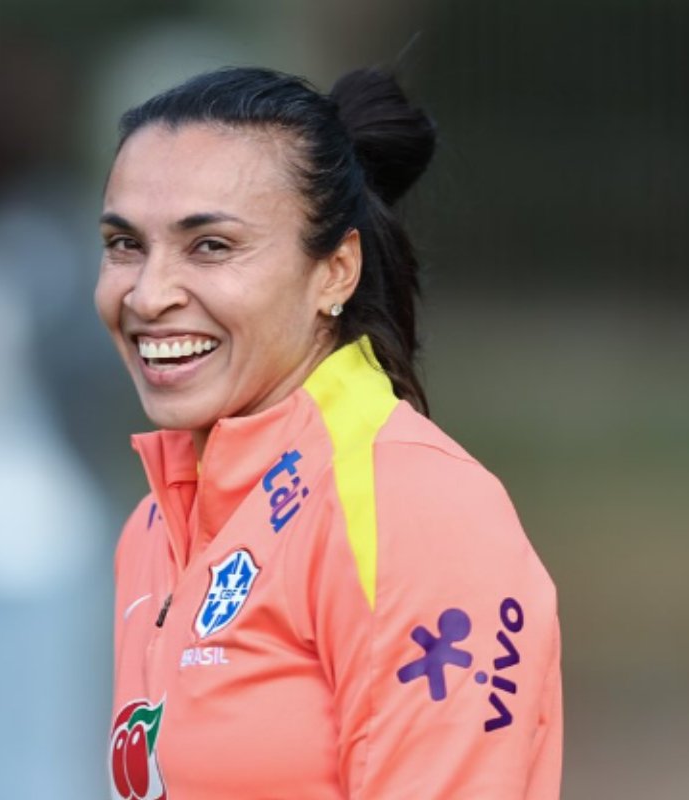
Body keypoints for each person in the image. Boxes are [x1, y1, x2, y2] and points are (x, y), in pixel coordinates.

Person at [96, 67, 561, 799]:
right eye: (125, 244)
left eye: (211, 246)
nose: (149, 294)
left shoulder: (415, 508)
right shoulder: (154, 524)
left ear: (335, 271)